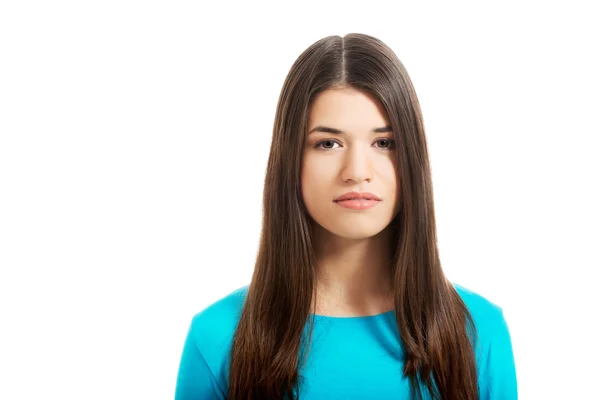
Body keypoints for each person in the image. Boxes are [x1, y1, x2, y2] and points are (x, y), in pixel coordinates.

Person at [174, 33, 518, 400]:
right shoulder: (216, 339)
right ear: (291, 160)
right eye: (328, 143)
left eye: (383, 143)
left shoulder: (480, 333)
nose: (357, 171)